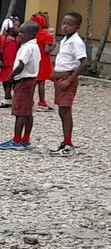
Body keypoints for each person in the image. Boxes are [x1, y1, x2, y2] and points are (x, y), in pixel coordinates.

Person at [0, 19, 41, 151]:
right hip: (31, 80)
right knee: (27, 111)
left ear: (33, 34)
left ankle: (16, 140)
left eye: (23, 32)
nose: (19, 35)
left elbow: (21, 65)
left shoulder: (26, 48)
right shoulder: (35, 46)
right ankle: (25, 138)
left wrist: (11, 76)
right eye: (19, 32)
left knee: (20, 112)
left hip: (22, 81)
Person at [49, 12, 87, 156]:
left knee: (66, 110)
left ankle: (68, 144)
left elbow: (83, 62)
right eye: (64, 23)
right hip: (59, 79)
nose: (65, 27)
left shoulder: (76, 42)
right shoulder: (65, 39)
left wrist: (69, 80)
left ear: (77, 27)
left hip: (67, 80)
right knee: (61, 110)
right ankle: (65, 141)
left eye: (69, 25)